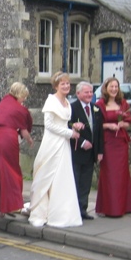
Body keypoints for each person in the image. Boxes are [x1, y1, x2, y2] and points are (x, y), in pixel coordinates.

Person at [27, 72, 83, 228]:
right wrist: (70, 133)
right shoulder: (51, 101)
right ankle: (42, 212)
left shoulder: (67, 103)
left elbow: (63, 122)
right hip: (52, 143)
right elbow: (50, 125)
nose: (66, 86)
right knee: (48, 176)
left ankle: (62, 212)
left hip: (63, 144)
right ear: (56, 86)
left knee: (62, 177)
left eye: (67, 83)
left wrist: (73, 126)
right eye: (62, 84)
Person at [0, 82, 33, 218]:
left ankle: (2, 209)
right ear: (20, 94)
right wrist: (30, 140)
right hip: (7, 139)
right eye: (24, 96)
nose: (24, 100)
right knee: (12, 173)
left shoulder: (3, 103)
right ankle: (11, 206)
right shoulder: (19, 108)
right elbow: (24, 131)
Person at [95, 77, 131, 217]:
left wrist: (123, 124)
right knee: (110, 174)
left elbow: (128, 121)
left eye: (116, 87)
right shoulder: (100, 104)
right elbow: (95, 125)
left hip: (121, 142)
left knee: (122, 174)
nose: (114, 89)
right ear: (106, 88)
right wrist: (108, 125)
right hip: (107, 143)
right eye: (111, 87)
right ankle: (110, 208)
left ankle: (124, 206)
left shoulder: (123, 103)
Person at [70, 81, 104, 220]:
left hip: (91, 154)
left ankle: (83, 209)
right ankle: (73, 210)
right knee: (75, 182)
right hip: (77, 152)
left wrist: (100, 152)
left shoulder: (96, 108)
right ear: (78, 94)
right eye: (86, 92)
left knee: (86, 183)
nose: (90, 94)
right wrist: (82, 142)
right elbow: (67, 127)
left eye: (91, 92)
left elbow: (99, 132)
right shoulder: (72, 108)